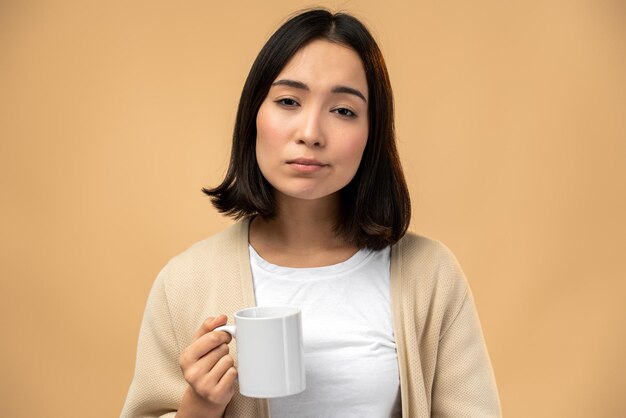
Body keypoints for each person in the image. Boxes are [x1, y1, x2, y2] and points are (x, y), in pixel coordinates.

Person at [121, 8, 501, 418]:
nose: (311, 133)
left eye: (343, 110)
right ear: (253, 116)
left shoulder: (430, 274)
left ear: (372, 134)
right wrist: (200, 406)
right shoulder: (185, 283)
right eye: (288, 101)